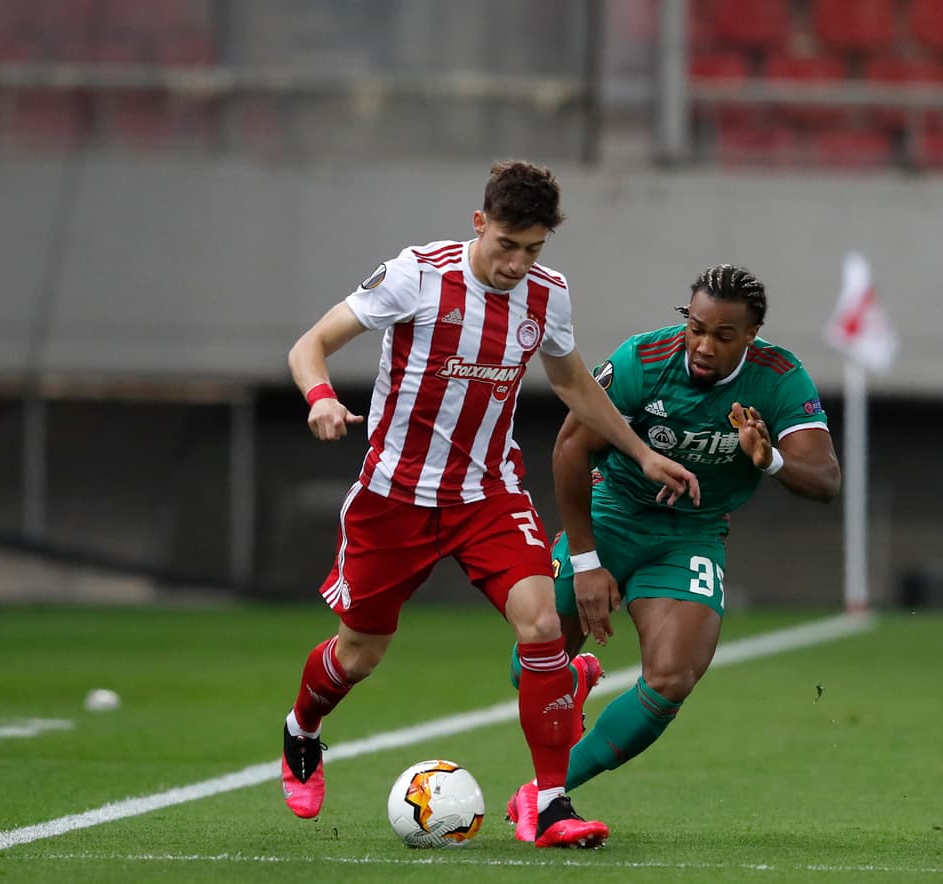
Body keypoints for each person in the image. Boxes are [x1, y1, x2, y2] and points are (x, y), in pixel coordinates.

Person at [279, 160, 700, 848]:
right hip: (395, 497)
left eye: (533, 249)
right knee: (359, 655)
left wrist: (640, 451)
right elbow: (311, 345)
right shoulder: (418, 274)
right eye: (507, 245)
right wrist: (321, 397)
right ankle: (302, 729)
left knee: (540, 626)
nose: (517, 263)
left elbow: (572, 384)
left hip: (488, 494)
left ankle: (551, 804)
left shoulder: (547, 294)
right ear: (480, 224)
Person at [506, 263, 841, 831]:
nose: (704, 345)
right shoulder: (645, 360)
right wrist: (586, 562)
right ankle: (573, 678)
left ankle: (542, 797)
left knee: (671, 677)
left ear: (751, 336)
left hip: (691, 533)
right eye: (696, 327)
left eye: (723, 335)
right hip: (611, 513)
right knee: (532, 666)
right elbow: (569, 448)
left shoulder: (780, 377)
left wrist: (771, 460)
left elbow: (826, 479)